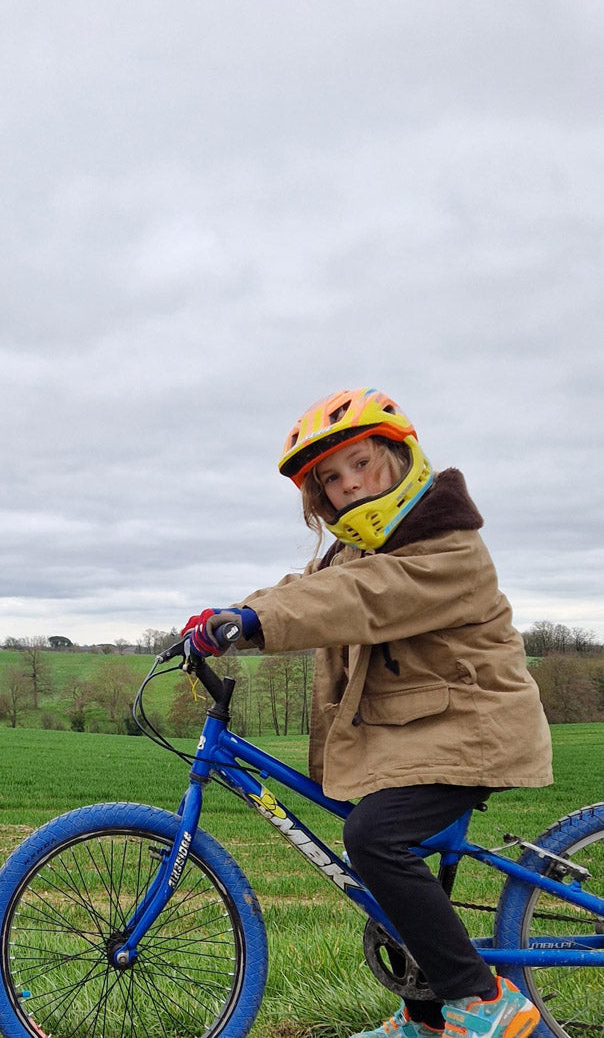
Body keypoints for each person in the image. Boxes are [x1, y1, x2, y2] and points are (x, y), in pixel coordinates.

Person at [180, 389, 551, 1038]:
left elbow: (362, 599)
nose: (350, 485)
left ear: (400, 458)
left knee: (374, 839)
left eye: (362, 464)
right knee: (379, 854)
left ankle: (485, 1002)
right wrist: (228, 617)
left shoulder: (447, 548)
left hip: (473, 732)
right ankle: (426, 1017)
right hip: (419, 737)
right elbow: (317, 589)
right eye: (331, 478)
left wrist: (255, 623)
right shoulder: (361, 549)